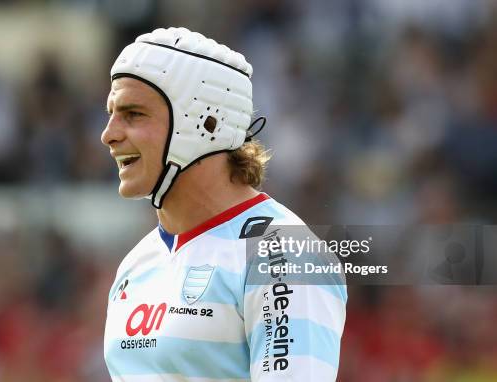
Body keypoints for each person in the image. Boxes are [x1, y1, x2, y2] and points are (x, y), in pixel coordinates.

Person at [102, 27, 347, 381]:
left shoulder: (283, 255)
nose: (108, 134)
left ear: (205, 122)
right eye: (111, 113)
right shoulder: (136, 264)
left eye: (134, 114)